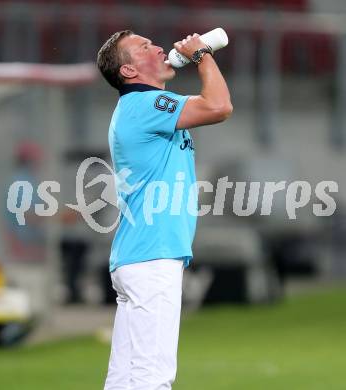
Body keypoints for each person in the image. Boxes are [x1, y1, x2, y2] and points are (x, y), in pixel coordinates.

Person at [97, 30, 233, 390]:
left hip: (137, 256)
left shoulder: (141, 108)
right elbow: (219, 106)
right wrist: (202, 54)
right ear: (128, 71)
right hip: (152, 257)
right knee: (151, 378)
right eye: (145, 47)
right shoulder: (145, 105)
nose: (160, 48)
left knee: (124, 379)